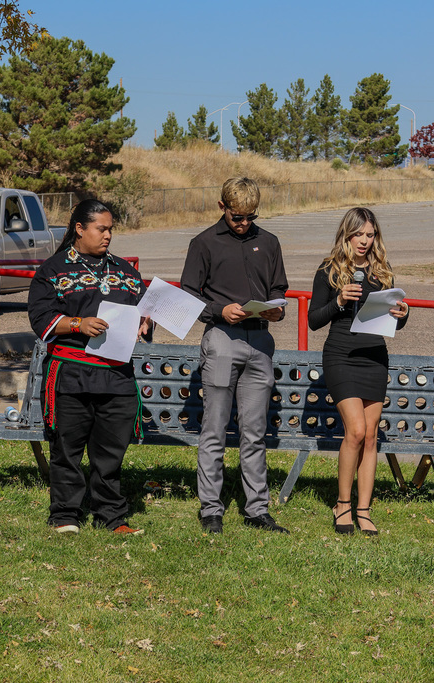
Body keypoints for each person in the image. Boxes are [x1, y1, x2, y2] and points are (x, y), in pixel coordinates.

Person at [28, 199, 149, 536]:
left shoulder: (126, 271)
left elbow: (139, 312)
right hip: (72, 372)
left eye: (111, 229)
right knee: (67, 448)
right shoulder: (53, 270)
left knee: (110, 453)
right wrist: (77, 323)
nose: (108, 235)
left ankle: (111, 516)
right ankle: (65, 514)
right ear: (79, 229)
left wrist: (144, 325)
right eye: (101, 228)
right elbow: (41, 320)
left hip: (116, 376)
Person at [180, 177, 289, 534]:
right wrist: (218, 310)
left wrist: (276, 311)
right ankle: (211, 508)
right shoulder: (203, 243)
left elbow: (278, 290)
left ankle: (257, 509)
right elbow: (187, 296)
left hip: (260, 342)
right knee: (214, 429)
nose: (243, 223)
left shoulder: (269, 242)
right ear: (222, 207)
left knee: (254, 432)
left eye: (250, 216)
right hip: (222, 338)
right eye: (237, 216)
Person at [307, 208, 409, 536]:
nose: (365, 241)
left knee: (370, 434)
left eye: (370, 235)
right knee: (354, 430)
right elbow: (313, 320)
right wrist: (338, 301)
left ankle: (364, 510)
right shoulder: (328, 269)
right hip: (341, 356)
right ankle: (343, 504)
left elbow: (392, 319)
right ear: (346, 234)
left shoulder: (381, 270)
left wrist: (402, 313)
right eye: (359, 235)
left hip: (374, 356)